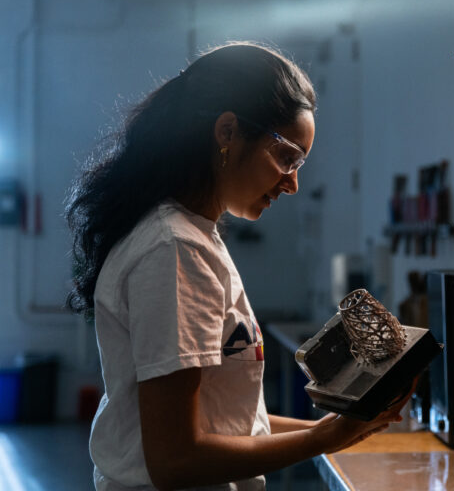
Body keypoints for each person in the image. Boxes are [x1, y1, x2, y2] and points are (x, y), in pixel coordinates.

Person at [65, 43, 411, 491]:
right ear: (227, 131)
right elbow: (175, 459)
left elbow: (225, 420)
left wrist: (336, 429)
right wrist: (328, 435)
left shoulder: (192, 236)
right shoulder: (174, 247)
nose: (293, 183)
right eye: (287, 157)